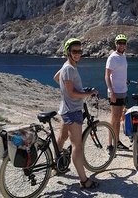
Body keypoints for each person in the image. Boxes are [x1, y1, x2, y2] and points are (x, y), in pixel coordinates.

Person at [53, 38, 99, 189]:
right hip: (72, 111)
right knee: (77, 146)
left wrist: (66, 90)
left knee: (62, 138)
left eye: (80, 51)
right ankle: (84, 180)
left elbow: (56, 78)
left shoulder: (67, 66)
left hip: (65, 109)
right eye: (75, 51)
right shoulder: (69, 69)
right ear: (68, 52)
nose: (78, 54)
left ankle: (56, 165)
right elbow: (72, 93)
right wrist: (88, 93)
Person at [105, 34, 130, 152]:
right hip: (115, 92)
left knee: (119, 118)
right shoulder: (112, 57)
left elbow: (119, 72)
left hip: (123, 91)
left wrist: (125, 81)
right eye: (119, 43)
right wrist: (112, 92)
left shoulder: (123, 56)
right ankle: (110, 145)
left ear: (125, 44)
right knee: (114, 118)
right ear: (116, 44)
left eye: (123, 43)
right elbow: (106, 76)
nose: (121, 45)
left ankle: (117, 141)